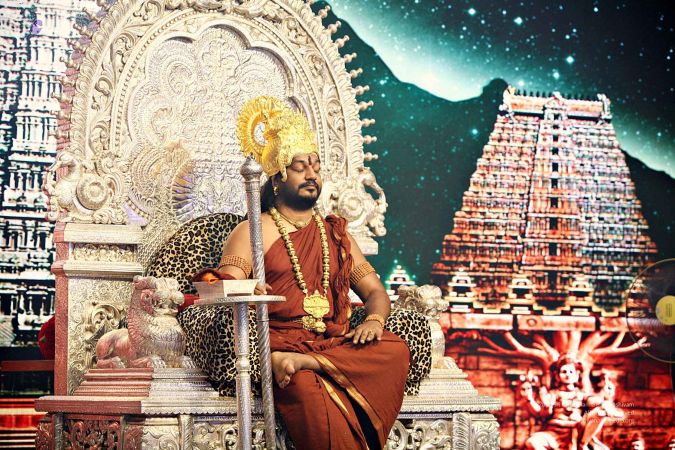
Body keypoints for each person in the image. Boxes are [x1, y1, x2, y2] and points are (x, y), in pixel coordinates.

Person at [198, 96, 410, 450]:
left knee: (395, 348)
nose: (312, 175)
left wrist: (374, 321)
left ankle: (310, 362)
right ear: (277, 179)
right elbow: (216, 286)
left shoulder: (336, 234)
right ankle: (296, 363)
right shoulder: (254, 230)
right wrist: (245, 288)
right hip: (280, 343)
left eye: (316, 166)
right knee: (305, 388)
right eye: (300, 167)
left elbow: (375, 292)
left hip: (330, 343)